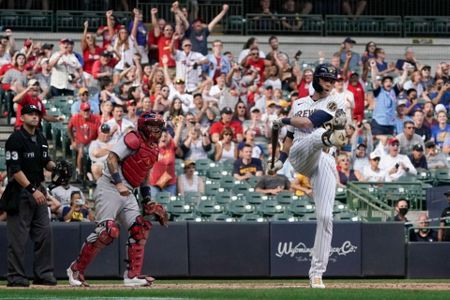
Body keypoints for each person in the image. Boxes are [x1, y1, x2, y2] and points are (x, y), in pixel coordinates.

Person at [67, 112, 168, 287]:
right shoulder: (133, 138)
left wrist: (147, 200)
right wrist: (119, 183)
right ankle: (76, 269)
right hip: (110, 186)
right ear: (144, 125)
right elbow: (112, 158)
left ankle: (132, 276)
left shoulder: (153, 148)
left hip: (129, 191)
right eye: (153, 126)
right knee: (107, 231)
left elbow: (144, 175)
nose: (156, 130)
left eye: (158, 126)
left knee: (140, 229)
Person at [270, 63, 346, 288]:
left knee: (325, 217)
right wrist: (279, 162)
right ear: (316, 79)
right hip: (300, 153)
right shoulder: (299, 103)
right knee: (320, 134)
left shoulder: (335, 100)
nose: (330, 83)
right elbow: (290, 137)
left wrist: (281, 120)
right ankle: (336, 136)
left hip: (324, 158)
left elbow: (308, 122)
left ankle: (316, 274)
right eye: (326, 79)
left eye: (332, 80)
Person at [1, 104, 57, 287]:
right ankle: (15, 275)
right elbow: (14, 170)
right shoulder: (15, 139)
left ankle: (43, 273)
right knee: (18, 238)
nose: (35, 117)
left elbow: (45, 161)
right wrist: (32, 190)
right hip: (20, 192)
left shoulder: (40, 137)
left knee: (44, 233)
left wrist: (56, 167)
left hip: (38, 188)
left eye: (37, 114)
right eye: (30, 114)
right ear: (22, 117)